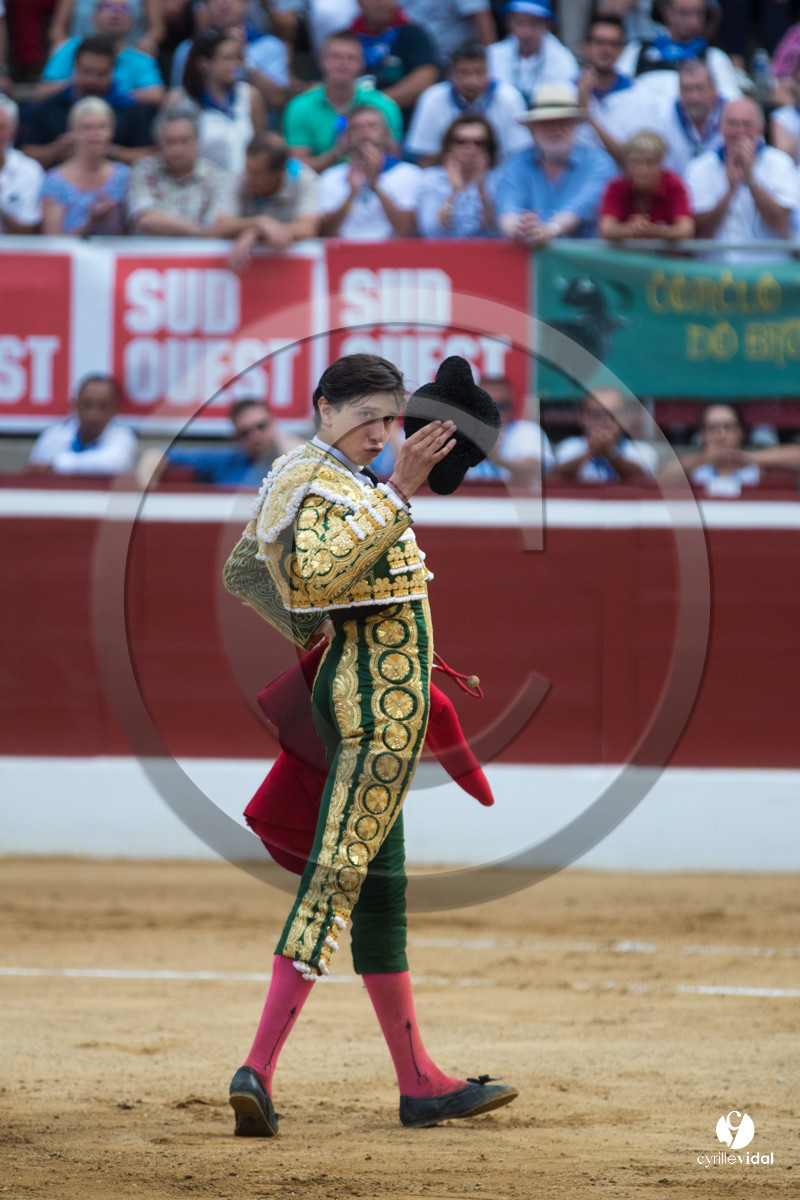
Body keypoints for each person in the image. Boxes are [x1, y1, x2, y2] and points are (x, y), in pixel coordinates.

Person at [223, 352, 518, 1136]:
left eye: (389, 419)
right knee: (341, 873)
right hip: (375, 700)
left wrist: (321, 644)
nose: (380, 433)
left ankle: (419, 1080)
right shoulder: (321, 479)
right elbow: (310, 576)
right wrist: (396, 491)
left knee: (380, 883)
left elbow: (246, 571)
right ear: (325, 408)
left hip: (374, 688)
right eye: (365, 418)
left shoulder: (318, 479)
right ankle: (256, 1068)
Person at [496, 81, 616, 245]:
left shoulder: (599, 163)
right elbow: (508, 208)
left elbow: (581, 206)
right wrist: (516, 229)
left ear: (575, 126)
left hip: (585, 264)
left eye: (563, 122)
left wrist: (550, 230)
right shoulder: (516, 163)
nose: (555, 129)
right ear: (533, 129)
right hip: (527, 258)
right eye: (547, 123)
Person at [18, 34, 155, 170]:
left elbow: (150, 156)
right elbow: (25, 155)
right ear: (75, 68)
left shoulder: (132, 108)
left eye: (101, 74)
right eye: (87, 72)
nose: (92, 80)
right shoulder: (50, 106)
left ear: (112, 70)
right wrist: (58, 148)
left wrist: (110, 151)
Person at [685, 97, 798, 255]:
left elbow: (782, 225)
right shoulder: (699, 167)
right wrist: (730, 190)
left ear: (761, 128)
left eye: (747, 124)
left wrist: (751, 181)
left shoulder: (780, 163)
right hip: (713, 273)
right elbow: (700, 232)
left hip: (769, 272)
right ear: (720, 127)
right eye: (733, 124)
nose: (740, 132)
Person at [283, 30, 403, 173]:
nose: (343, 63)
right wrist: (337, 152)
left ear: (362, 64)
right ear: (321, 61)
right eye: (335, 57)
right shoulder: (299, 107)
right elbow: (297, 170)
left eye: (351, 58)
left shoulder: (385, 106)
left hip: (376, 180)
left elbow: (394, 166)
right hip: (318, 186)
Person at [405, 39, 530, 166]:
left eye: (478, 72)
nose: (472, 81)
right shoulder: (432, 98)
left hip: (498, 177)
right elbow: (426, 159)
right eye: (464, 73)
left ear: (489, 71)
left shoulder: (509, 98)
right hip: (445, 176)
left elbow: (519, 155)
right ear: (450, 74)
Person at [127, 100, 237, 236]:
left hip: (200, 256)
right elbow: (145, 218)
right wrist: (197, 230)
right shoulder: (143, 170)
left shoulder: (217, 177)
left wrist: (165, 222)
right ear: (158, 143)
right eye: (170, 142)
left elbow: (219, 225)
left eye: (184, 141)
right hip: (150, 255)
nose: (177, 149)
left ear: (197, 140)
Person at [215, 131, 319, 268]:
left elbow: (307, 228)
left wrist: (255, 232)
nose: (248, 178)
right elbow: (221, 225)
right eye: (247, 169)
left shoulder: (305, 180)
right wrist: (260, 222)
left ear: (279, 173)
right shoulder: (237, 177)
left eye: (256, 173)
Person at [34, 0, 165, 107]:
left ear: (133, 21)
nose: (115, 14)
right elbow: (40, 93)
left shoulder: (140, 58)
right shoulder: (69, 49)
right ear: (94, 16)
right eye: (108, 7)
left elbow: (156, 94)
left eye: (123, 9)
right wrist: (77, 87)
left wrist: (114, 95)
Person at [318, 103, 421, 239]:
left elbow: (407, 231)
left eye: (372, 126)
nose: (364, 132)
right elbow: (324, 234)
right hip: (345, 255)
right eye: (356, 128)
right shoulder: (330, 177)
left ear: (386, 134)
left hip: (393, 255)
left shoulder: (410, 174)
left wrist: (376, 184)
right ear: (347, 138)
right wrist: (351, 195)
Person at [139, 398, 294, 487]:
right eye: (245, 432)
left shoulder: (287, 457)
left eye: (261, 426)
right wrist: (146, 490)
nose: (255, 435)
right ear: (236, 436)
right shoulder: (226, 461)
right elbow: (156, 454)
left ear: (273, 423)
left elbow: (309, 460)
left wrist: (281, 437)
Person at [614, 0, 741, 103]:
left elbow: (732, 103)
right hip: (642, 128)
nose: (693, 21)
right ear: (667, 13)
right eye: (685, 13)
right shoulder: (638, 49)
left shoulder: (714, 57)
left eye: (699, 14)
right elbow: (614, 91)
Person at [660, 402, 800, 495]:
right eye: (713, 428)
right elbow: (661, 479)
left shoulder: (758, 464)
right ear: (703, 434)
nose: (721, 434)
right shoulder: (694, 466)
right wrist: (703, 459)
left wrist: (750, 458)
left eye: (728, 427)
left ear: (741, 432)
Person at [576, 14, 659, 164]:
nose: (606, 50)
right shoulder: (562, 91)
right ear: (585, 48)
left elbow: (634, 162)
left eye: (613, 44)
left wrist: (588, 117)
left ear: (622, 51)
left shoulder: (639, 96)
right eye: (599, 42)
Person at [41, 95, 130, 234]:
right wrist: (91, 223)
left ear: (111, 130)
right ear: (73, 132)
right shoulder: (55, 180)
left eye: (102, 127)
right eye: (87, 128)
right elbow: (53, 242)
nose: (95, 134)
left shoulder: (124, 177)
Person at [180, 29, 264, 175]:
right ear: (203, 64)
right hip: (204, 188)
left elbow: (259, 147)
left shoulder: (249, 95)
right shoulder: (184, 103)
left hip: (243, 188)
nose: (236, 64)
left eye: (237, 58)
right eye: (227, 58)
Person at [348, 0, 439, 127]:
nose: (380, 3)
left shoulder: (414, 34)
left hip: (404, 127)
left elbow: (424, 80)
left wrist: (372, 103)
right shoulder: (345, 37)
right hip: (351, 126)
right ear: (358, 2)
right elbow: (320, 84)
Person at [27, 374, 137, 475]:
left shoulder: (123, 437)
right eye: (87, 405)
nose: (94, 414)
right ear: (76, 405)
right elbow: (33, 473)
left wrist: (56, 464)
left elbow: (114, 464)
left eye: (103, 406)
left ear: (115, 409)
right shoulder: (52, 437)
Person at [599, 129, 694, 242]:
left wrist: (653, 230)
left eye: (650, 162)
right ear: (627, 163)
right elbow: (606, 229)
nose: (643, 169)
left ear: (661, 162)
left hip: (666, 258)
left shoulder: (674, 185)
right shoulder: (616, 186)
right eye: (636, 162)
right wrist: (632, 229)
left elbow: (686, 230)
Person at [416, 113, 500, 237]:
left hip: (484, 254)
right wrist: (453, 193)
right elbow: (431, 230)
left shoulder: (498, 179)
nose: (470, 147)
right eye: (461, 141)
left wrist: (482, 192)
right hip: (443, 254)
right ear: (450, 145)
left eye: (479, 142)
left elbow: (497, 232)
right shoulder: (431, 178)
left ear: (488, 148)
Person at [551, 387, 659, 482]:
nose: (605, 421)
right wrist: (590, 452)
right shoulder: (569, 447)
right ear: (584, 418)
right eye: (597, 415)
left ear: (625, 418)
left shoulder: (643, 450)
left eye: (613, 414)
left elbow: (642, 478)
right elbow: (556, 475)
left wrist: (611, 453)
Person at [487, 0, 579, 109]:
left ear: (547, 25)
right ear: (509, 23)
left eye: (533, 24)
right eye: (520, 23)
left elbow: (565, 102)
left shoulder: (564, 58)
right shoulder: (493, 54)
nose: (526, 31)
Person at [465, 376, 554, 485]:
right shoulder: (459, 434)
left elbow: (539, 468)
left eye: (501, 406)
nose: (495, 412)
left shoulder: (527, 431)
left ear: (511, 405)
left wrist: (498, 459)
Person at [48, 0, 164, 53]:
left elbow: (158, 28)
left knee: (148, 50)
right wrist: (62, 44)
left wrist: (149, 39)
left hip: (128, 52)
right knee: (59, 49)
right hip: (81, 53)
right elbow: (57, 28)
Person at [0, 96, 44, 234]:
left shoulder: (30, 171)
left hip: (14, 253)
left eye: (1, 127)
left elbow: (30, 232)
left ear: (14, 130)